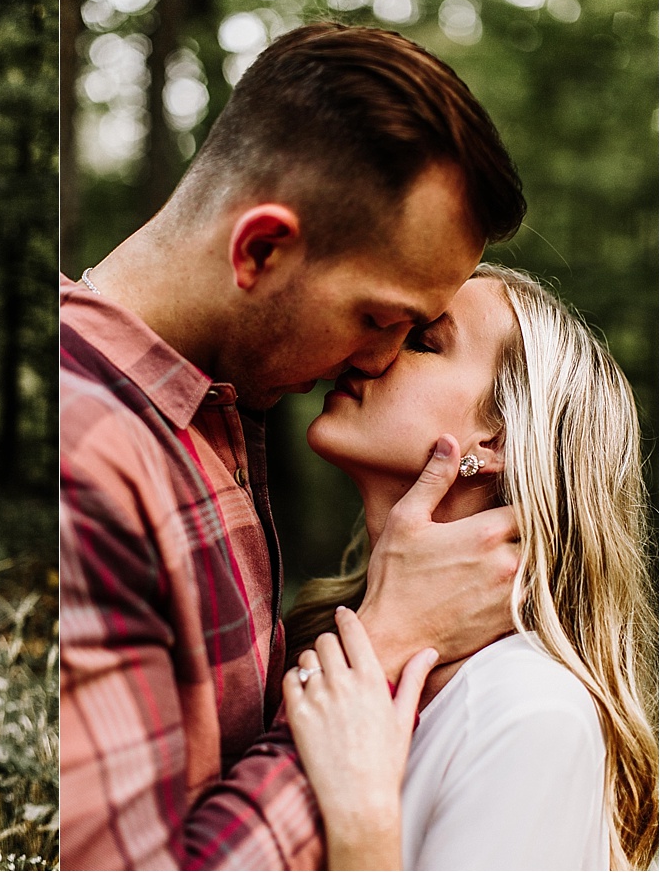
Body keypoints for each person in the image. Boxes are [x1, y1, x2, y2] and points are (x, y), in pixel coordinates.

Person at [59, 22, 528, 869]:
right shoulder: (89, 451)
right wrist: (381, 649)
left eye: (418, 335)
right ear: (262, 249)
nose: (382, 358)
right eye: (381, 320)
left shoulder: (212, 419)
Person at [282, 265, 658, 870]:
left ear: (496, 440)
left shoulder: (528, 711)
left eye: (422, 343)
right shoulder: (323, 638)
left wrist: (363, 829)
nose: (373, 352)